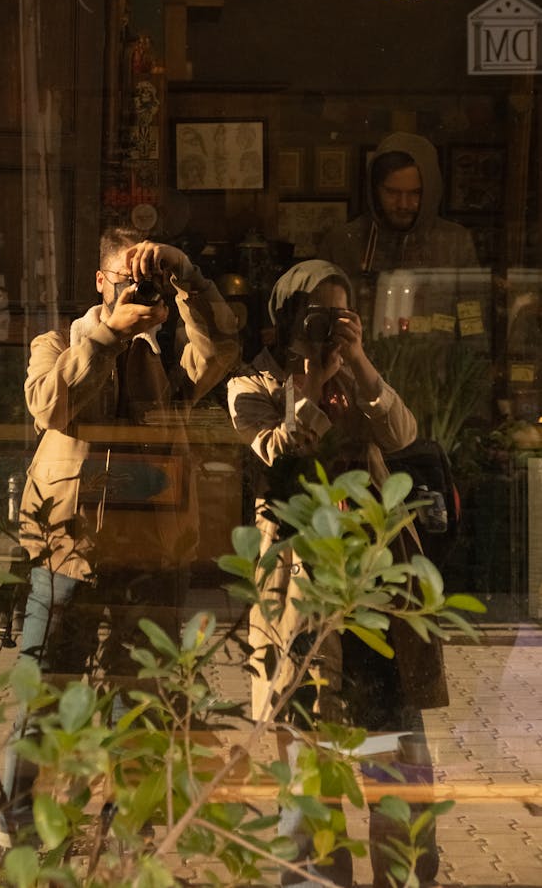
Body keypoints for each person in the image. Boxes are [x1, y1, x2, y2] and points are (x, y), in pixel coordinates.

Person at [0, 227, 239, 843]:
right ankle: (22, 834)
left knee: (140, 702)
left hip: (153, 553)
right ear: (100, 282)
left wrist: (190, 278)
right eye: (127, 279)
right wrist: (108, 335)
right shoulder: (56, 343)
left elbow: (223, 349)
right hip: (68, 550)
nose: (139, 291)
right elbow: (53, 407)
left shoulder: (168, 360)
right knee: (45, 693)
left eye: (149, 282)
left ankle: (124, 836)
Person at [226, 259, 448, 888]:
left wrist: (362, 365)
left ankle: (403, 877)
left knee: (397, 752)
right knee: (308, 754)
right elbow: (273, 451)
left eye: (340, 315)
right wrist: (314, 386)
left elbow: (404, 434)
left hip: (378, 586)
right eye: (316, 315)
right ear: (287, 320)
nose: (328, 326)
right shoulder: (254, 386)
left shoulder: (360, 374)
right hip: (301, 590)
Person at [318, 132, 480, 337]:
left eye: (415, 193)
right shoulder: (342, 244)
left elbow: (473, 325)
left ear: (431, 191)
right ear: (375, 189)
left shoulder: (454, 243)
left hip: (435, 367)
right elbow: (322, 324)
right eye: (392, 192)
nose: (403, 204)